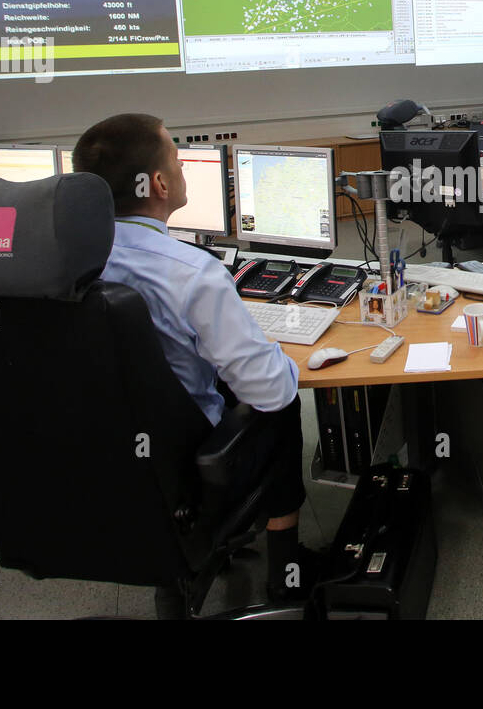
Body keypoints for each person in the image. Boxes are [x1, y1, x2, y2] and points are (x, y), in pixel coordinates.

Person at [72, 113, 314, 602]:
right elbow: (269, 390)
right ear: (159, 184)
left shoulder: (61, 261)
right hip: (178, 464)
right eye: (177, 162)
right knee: (281, 400)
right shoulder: (192, 273)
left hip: (87, 456)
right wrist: (281, 357)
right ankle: (286, 564)